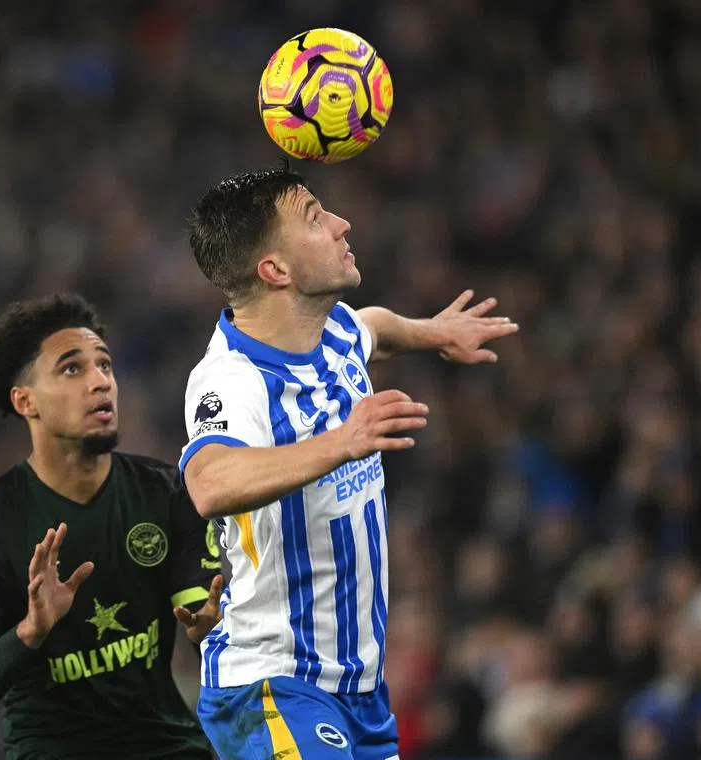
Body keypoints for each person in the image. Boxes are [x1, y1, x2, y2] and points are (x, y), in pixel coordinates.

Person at [180, 167, 519, 759]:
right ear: (275, 270)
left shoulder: (332, 330)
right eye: (315, 217)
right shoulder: (231, 381)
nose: (341, 224)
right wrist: (345, 438)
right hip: (274, 683)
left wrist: (431, 332)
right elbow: (210, 483)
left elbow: (375, 330)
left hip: (359, 691)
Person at [0, 293, 223, 760]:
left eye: (105, 365)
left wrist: (213, 627)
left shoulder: (166, 493)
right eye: (72, 369)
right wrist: (29, 632)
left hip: (169, 747)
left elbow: (202, 614)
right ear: (25, 401)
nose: (100, 382)